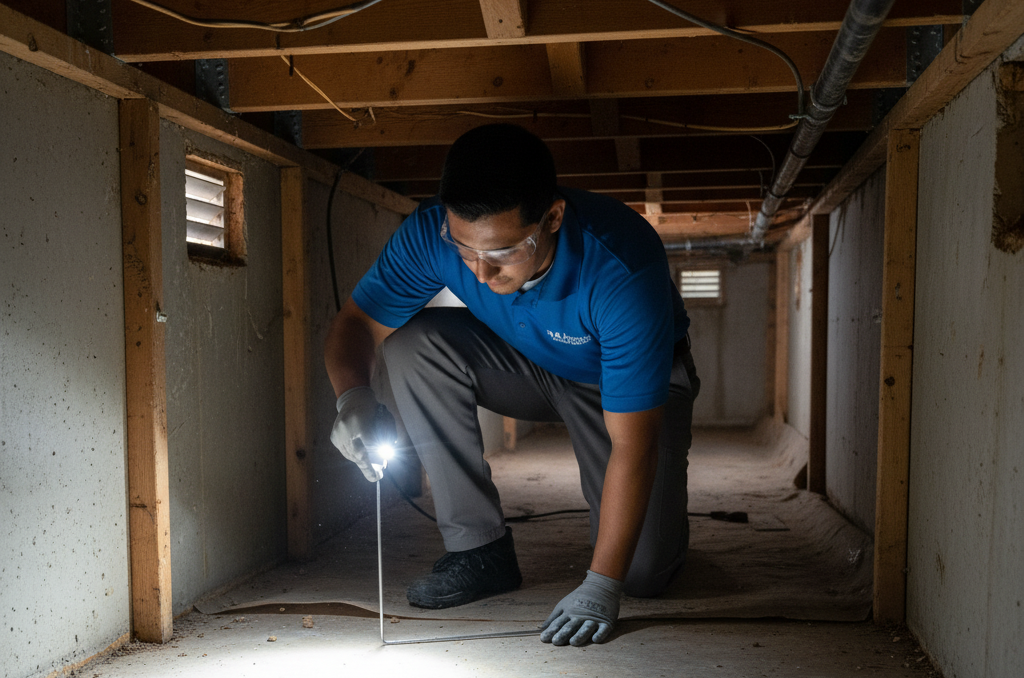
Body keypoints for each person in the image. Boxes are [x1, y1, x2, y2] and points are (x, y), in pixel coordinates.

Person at [325, 124, 698, 647]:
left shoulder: (621, 268)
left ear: (552, 218)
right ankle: (478, 550)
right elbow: (358, 324)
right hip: (531, 363)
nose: (480, 272)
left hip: (628, 385)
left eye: (502, 252)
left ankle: (659, 537)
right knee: (413, 343)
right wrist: (353, 397)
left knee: (638, 572)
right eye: (464, 250)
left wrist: (601, 584)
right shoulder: (431, 233)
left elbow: (634, 447)